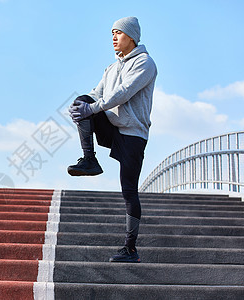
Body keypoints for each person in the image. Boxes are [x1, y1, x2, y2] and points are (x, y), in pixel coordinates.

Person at [67, 16, 157, 263]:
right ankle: (89, 160)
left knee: (129, 191)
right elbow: (97, 94)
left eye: (118, 33)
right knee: (82, 102)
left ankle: (130, 249)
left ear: (131, 36)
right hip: (112, 126)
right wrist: (80, 108)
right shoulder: (112, 67)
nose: (114, 38)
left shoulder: (145, 63)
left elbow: (124, 93)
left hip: (133, 134)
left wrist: (93, 109)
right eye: (112, 34)